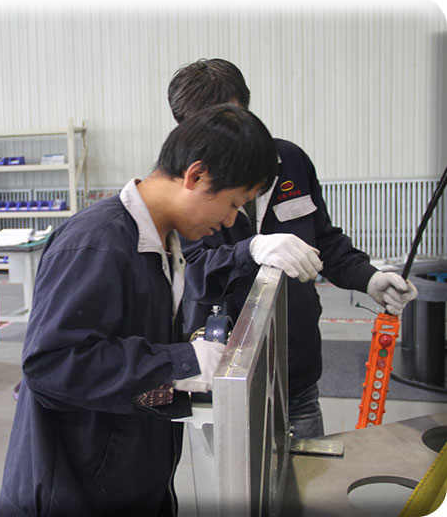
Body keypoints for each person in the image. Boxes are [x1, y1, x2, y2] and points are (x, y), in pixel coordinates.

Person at [0, 104, 279, 516]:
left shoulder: (161, 242)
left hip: (129, 476)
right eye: (233, 203)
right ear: (196, 176)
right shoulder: (98, 243)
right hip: (75, 493)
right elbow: (50, 365)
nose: (230, 220)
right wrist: (181, 362)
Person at [167, 58, 418, 439]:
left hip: (296, 363)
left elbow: (324, 241)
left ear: (246, 109)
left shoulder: (291, 162)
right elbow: (190, 274)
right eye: (205, 130)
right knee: (234, 473)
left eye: (229, 121)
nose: (221, 141)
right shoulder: (181, 185)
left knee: (308, 470)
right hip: (222, 368)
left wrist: (369, 279)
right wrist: (250, 250)